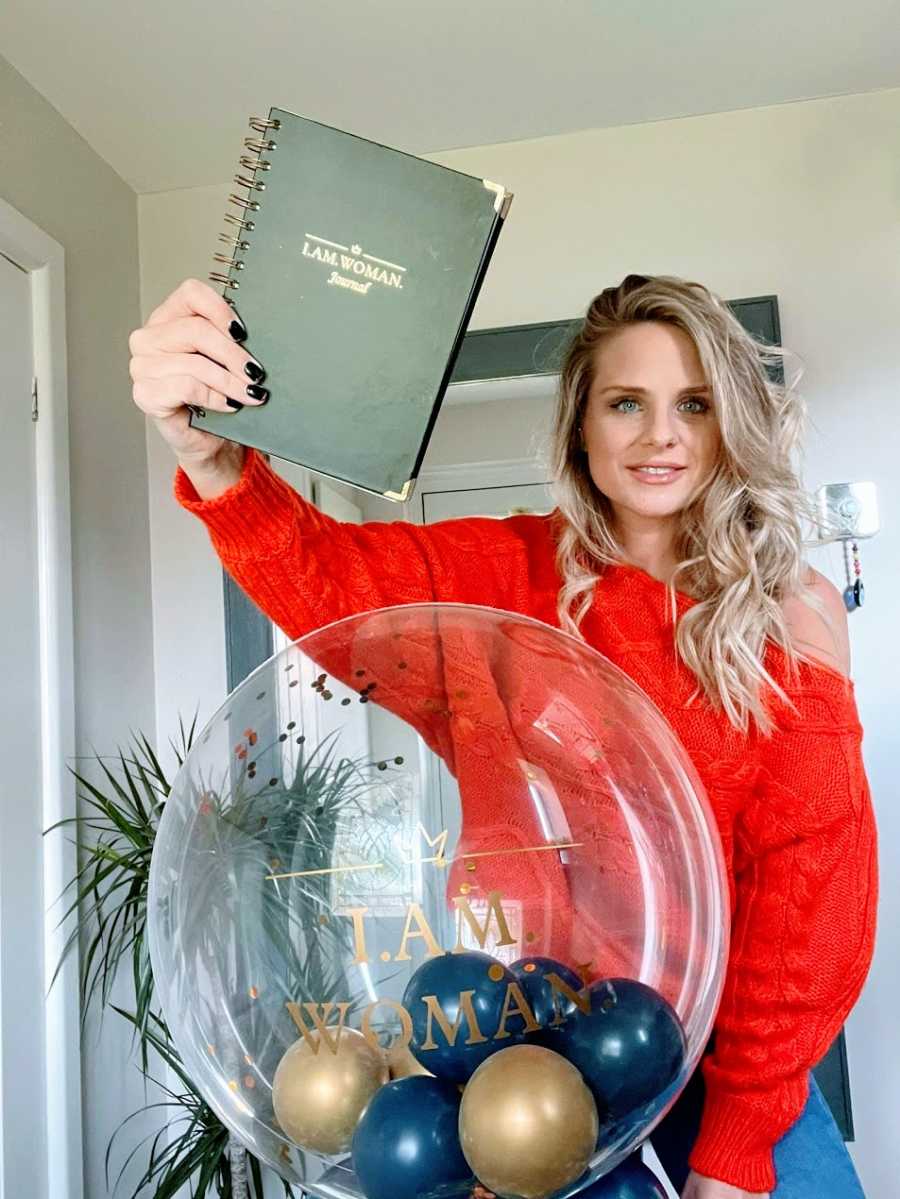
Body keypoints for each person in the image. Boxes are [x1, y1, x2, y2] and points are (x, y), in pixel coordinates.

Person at [130, 273, 878, 1198]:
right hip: (518, 1059)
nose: (662, 435)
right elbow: (330, 582)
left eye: (696, 403)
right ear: (580, 426)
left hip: (724, 1063)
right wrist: (212, 460)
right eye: (625, 403)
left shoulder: (787, 614)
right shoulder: (505, 575)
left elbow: (815, 893)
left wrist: (732, 1148)